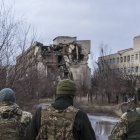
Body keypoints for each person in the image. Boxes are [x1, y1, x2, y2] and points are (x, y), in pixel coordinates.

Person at [27, 79, 96, 140]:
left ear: (57, 93)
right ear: (73, 95)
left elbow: (28, 137)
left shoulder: (40, 112)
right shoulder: (80, 115)